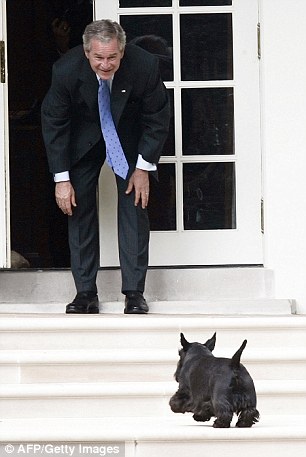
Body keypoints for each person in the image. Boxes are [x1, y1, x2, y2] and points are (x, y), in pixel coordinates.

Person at [41, 19, 170, 314]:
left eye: (112, 57)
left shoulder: (144, 66)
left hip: (128, 136)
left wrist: (143, 167)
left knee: (134, 204)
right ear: (87, 52)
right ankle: (85, 293)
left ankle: (134, 293)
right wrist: (62, 179)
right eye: (99, 57)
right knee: (78, 206)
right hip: (83, 140)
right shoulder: (66, 70)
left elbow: (157, 118)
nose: (105, 64)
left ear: (122, 51)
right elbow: (54, 123)